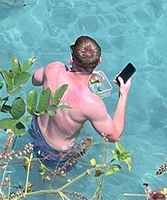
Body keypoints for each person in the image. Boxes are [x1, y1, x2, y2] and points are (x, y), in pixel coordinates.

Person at [30, 36, 132, 168]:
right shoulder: (91, 103)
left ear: (71, 59)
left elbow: (35, 79)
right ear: (99, 61)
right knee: (55, 178)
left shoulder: (54, 68)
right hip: (55, 153)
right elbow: (114, 136)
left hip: (35, 129)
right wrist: (123, 94)